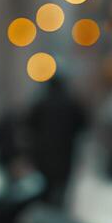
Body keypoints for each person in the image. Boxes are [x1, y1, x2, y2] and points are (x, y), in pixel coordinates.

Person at [22, 77, 88, 208]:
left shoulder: (41, 103)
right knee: (61, 190)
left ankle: (47, 212)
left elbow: (28, 124)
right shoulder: (71, 103)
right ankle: (58, 209)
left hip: (43, 155)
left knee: (45, 190)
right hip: (65, 154)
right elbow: (83, 123)